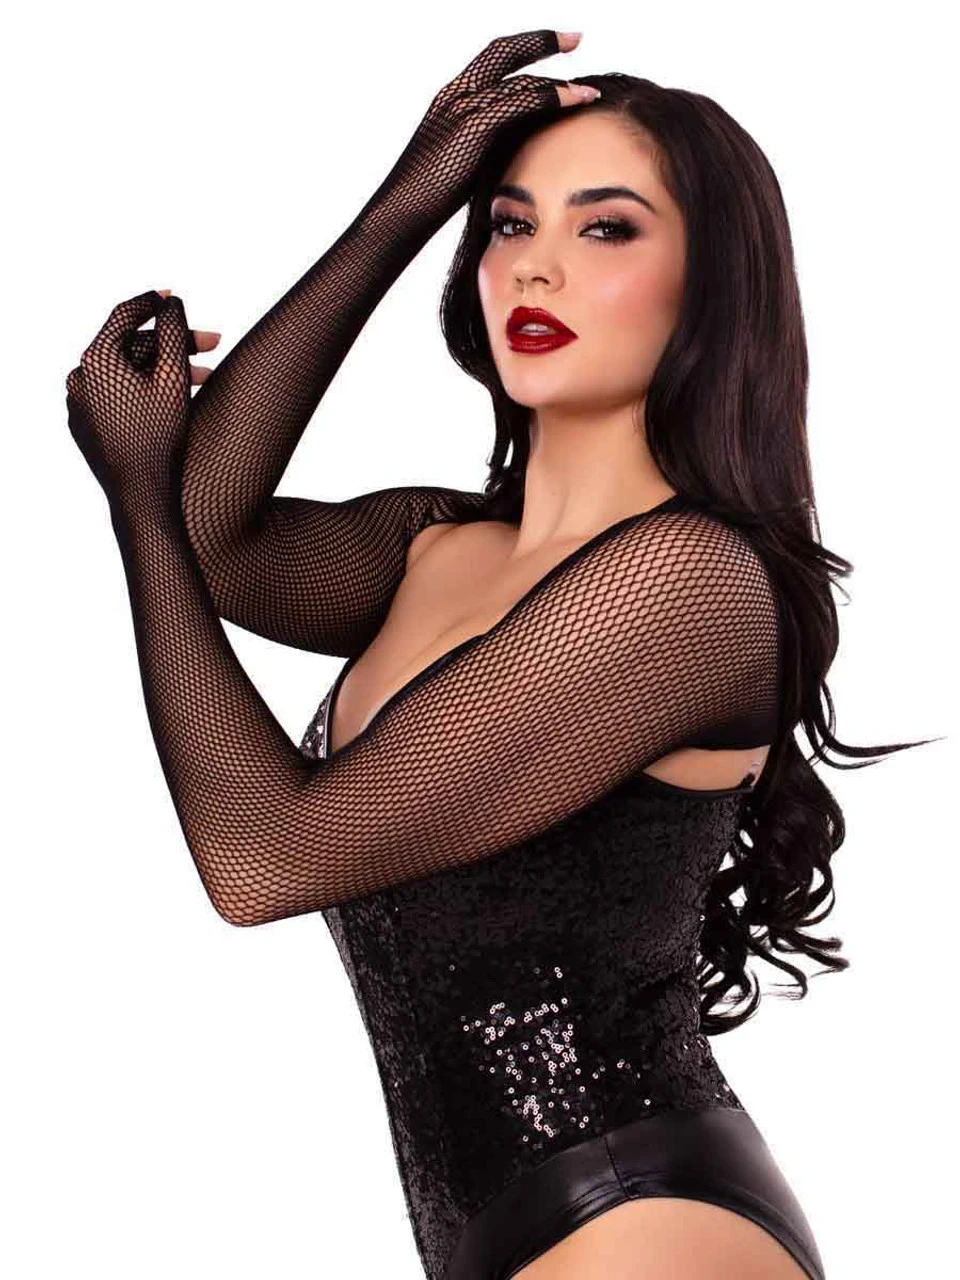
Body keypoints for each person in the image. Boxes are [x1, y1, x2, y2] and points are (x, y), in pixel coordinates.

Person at [65, 28, 937, 1280]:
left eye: (606, 228)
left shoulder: (689, 585)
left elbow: (261, 859)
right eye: (508, 224)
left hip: (641, 1219)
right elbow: (208, 530)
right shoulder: (439, 548)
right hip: (506, 1230)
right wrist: (407, 200)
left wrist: (135, 503)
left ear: (712, 283)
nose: (534, 266)